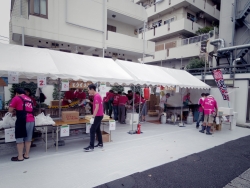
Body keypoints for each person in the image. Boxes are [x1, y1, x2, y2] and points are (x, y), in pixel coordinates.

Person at [8, 88, 35, 161]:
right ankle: (26, 155)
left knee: (20, 138)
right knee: (28, 139)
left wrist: (14, 109)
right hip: (31, 120)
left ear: (16, 93)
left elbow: (10, 110)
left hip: (22, 120)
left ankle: (20, 157)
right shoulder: (29, 99)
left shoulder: (16, 98)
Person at [84, 84, 104, 152]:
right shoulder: (97, 95)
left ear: (92, 89)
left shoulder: (97, 96)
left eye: (89, 90)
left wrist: (93, 117)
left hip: (98, 115)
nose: (88, 91)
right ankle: (100, 143)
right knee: (97, 129)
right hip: (100, 115)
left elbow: (97, 107)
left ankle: (91, 146)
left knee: (92, 130)